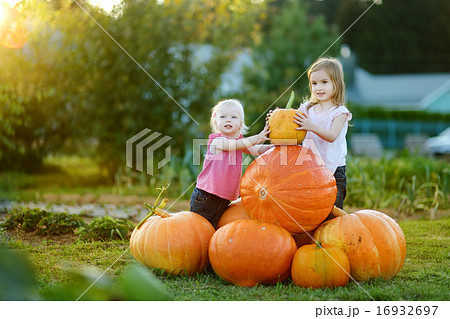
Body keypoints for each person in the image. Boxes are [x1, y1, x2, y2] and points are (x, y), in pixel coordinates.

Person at [190, 99, 274, 228]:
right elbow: (234, 145)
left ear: (240, 124)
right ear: (216, 122)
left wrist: (275, 147)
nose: (228, 120)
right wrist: (258, 137)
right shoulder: (217, 141)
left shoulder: (239, 141)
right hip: (206, 197)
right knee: (198, 229)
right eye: (223, 116)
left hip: (223, 199)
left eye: (233, 117)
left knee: (213, 230)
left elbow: (257, 150)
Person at [293, 57, 352, 210]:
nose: (318, 87)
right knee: (312, 210)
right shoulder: (306, 109)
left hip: (334, 171)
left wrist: (311, 126)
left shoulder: (340, 113)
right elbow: (288, 123)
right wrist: (275, 116)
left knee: (333, 213)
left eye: (324, 82)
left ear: (336, 84)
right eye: (314, 83)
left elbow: (332, 136)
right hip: (309, 169)